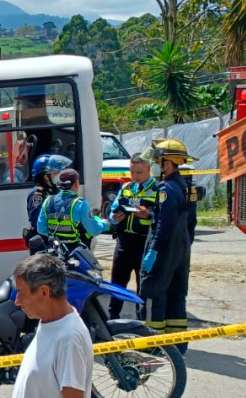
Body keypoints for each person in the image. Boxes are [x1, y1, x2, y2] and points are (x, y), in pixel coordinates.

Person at [138, 139, 198, 351]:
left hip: (164, 247)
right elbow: (190, 221)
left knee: (154, 292)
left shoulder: (166, 188)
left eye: (158, 161)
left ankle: (151, 345)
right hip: (181, 248)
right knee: (177, 294)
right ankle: (177, 347)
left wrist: (154, 250)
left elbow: (165, 223)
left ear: (167, 163)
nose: (156, 165)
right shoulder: (186, 186)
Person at [11, 254, 93, 398]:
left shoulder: (69, 339)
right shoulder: (49, 322)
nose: (17, 301)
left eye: (21, 293)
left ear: (44, 292)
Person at [106, 154, 158, 319]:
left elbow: (163, 216)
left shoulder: (158, 189)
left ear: (149, 169)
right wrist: (115, 216)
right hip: (124, 242)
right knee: (117, 283)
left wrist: (149, 215)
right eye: (132, 172)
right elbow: (113, 209)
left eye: (139, 172)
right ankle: (112, 318)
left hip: (143, 243)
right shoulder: (127, 187)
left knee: (142, 286)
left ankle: (141, 320)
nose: (135, 176)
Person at [36, 169, 111, 249]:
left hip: (55, 251)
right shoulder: (80, 203)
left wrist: (55, 234)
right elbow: (93, 230)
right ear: (76, 183)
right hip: (75, 253)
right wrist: (106, 224)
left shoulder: (48, 201)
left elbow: (41, 229)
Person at [25, 154, 73, 253]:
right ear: (46, 177)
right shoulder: (38, 194)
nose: (59, 174)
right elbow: (36, 219)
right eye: (56, 172)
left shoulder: (56, 191)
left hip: (56, 241)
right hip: (43, 243)